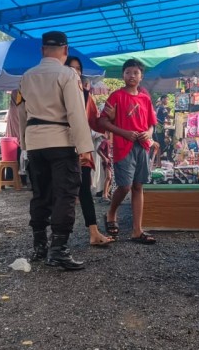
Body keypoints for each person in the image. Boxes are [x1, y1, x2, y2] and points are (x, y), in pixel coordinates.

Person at [18, 31, 94, 270]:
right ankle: (58, 250)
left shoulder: (27, 76)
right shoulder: (67, 74)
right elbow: (76, 113)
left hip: (35, 142)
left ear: (42, 50)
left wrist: (25, 144)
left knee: (41, 193)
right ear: (66, 50)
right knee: (65, 194)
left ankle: (40, 246)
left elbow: (22, 113)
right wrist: (85, 148)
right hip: (60, 141)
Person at [98, 59, 158, 244]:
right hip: (123, 147)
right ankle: (111, 213)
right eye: (128, 72)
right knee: (124, 186)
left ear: (141, 76)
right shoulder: (116, 96)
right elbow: (103, 121)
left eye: (135, 72)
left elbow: (151, 125)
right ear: (123, 75)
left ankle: (137, 230)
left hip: (142, 147)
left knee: (138, 186)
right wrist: (124, 133)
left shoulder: (145, 98)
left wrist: (147, 134)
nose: (132, 76)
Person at [65, 56, 114, 247]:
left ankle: (93, 232)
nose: (75, 72)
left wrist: (109, 119)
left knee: (84, 190)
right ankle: (56, 238)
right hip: (60, 148)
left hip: (81, 151)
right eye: (70, 68)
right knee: (61, 193)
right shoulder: (57, 92)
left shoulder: (86, 96)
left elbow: (95, 121)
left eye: (78, 69)